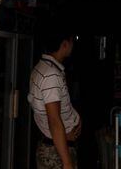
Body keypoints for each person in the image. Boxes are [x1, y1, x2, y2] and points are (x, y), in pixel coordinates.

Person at [28, 25, 81, 169]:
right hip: (56, 153)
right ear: (64, 44)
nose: (73, 45)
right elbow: (54, 121)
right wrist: (67, 163)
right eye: (72, 41)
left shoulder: (44, 67)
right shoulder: (51, 75)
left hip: (55, 146)